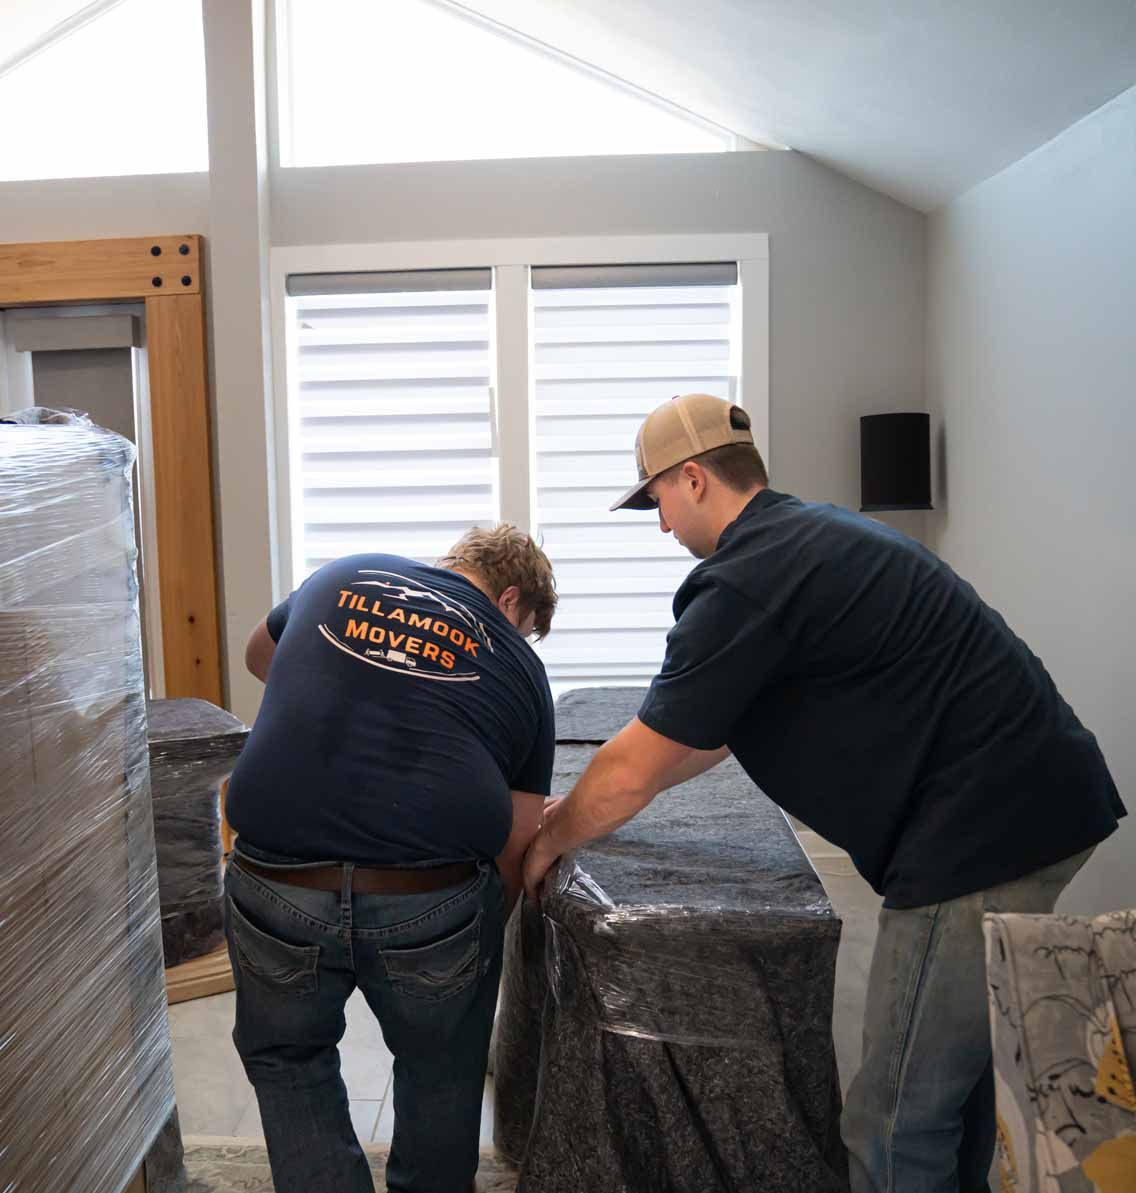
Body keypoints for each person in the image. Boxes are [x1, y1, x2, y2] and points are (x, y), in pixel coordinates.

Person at [521, 393, 1124, 1193]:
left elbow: (633, 766)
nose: (662, 525)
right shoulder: (807, 540)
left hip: (982, 833)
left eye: (657, 499)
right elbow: (701, 735)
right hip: (1036, 800)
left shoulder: (747, 578)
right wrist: (595, 807)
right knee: (951, 1079)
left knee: (894, 1113)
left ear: (694, 478)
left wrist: (550, 837)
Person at [223, 524, 557, 1193]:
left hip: (274, 879)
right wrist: (479, 939)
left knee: (289, 1057)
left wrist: (348, 685)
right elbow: (518, 842)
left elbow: (263, 655)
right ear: (511, 597)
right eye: (524, 626)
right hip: (425, 894)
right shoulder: (520, 669)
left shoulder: (347, 571)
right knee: (441, 1066)